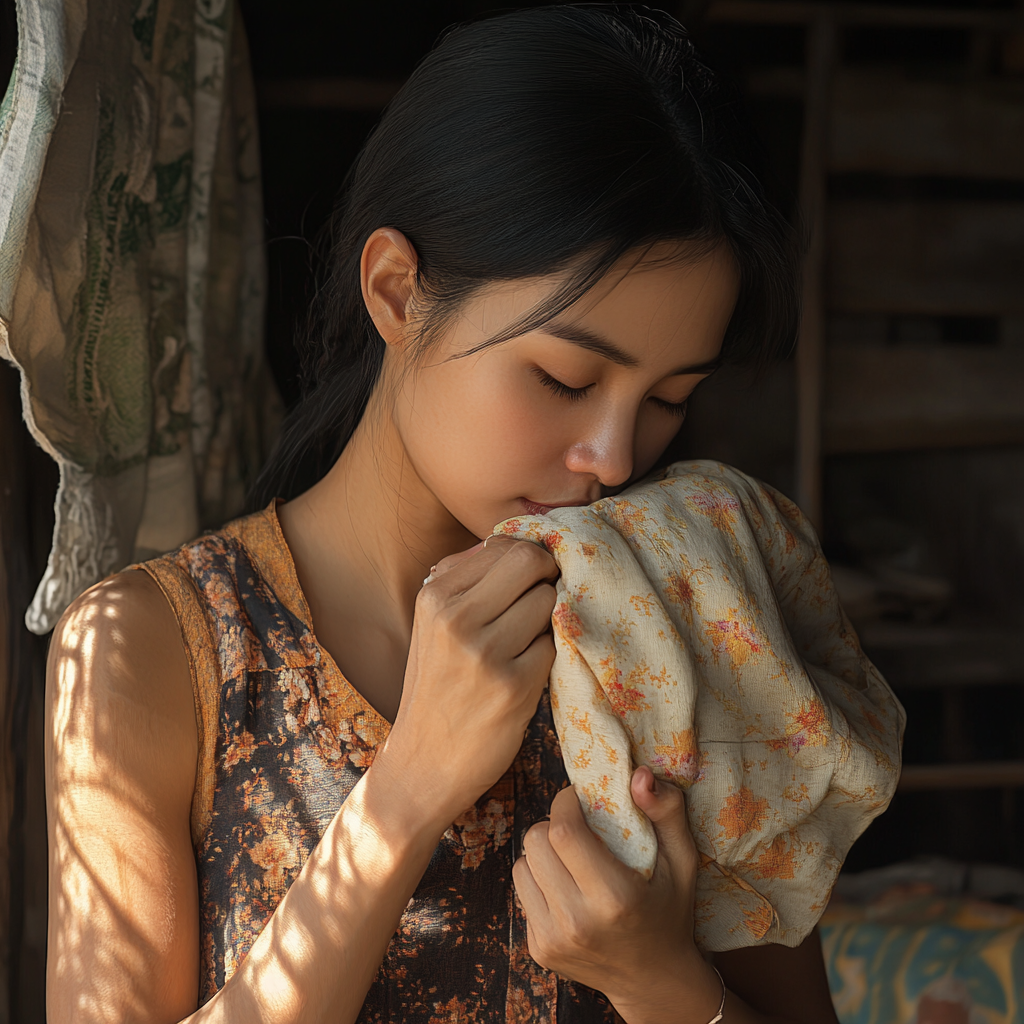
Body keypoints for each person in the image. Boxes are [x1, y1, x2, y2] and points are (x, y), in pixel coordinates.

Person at [45, 5, 842, 1022]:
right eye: (562, 377)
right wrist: (408, 788)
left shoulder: (687, 615)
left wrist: (662, 982)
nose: (612, 457)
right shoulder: (149, 651)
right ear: (395, 290)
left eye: (668, 399)